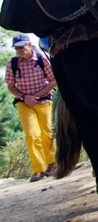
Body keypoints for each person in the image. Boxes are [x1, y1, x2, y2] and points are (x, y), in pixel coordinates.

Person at [5, 34, 57, 182]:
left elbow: (54, 81)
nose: (19, 50)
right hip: (24, 103)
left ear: (29, 45)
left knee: (46, 132)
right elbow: (10, 87)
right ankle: (38, 170)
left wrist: (36, 96)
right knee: (31, 135)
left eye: (22, 47)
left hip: (43, 100)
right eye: (17, 48)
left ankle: (52, 163)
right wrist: (24, 97)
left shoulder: (41, 58)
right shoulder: (12, 63)